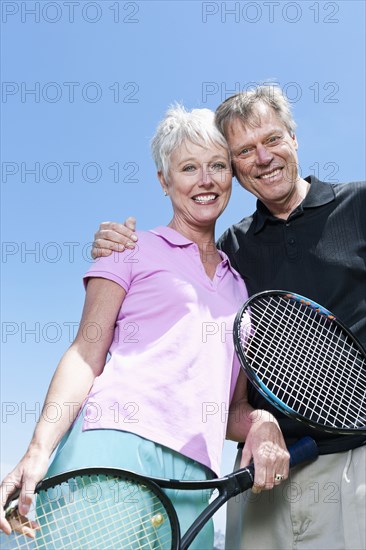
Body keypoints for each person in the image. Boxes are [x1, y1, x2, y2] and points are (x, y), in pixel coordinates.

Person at [0, 105, 291, 549]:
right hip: (115, 448)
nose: (205, 180)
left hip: (199, 477)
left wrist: (262, 419)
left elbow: (229, 407)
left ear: (232, 175)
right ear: (164, 180)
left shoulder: (241, 290)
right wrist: (37, 449)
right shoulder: (128, 249)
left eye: (217, 165)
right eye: (189, 167)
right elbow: (84, 354)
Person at [90, 86, 366, 550]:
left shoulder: (358, 205)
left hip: (354, 462)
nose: (263, 157)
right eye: (244, 151)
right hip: (256, 475)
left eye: (272, 139)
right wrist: (115, 243)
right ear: (235, 168)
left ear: (294, 139)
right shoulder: (229, 253)